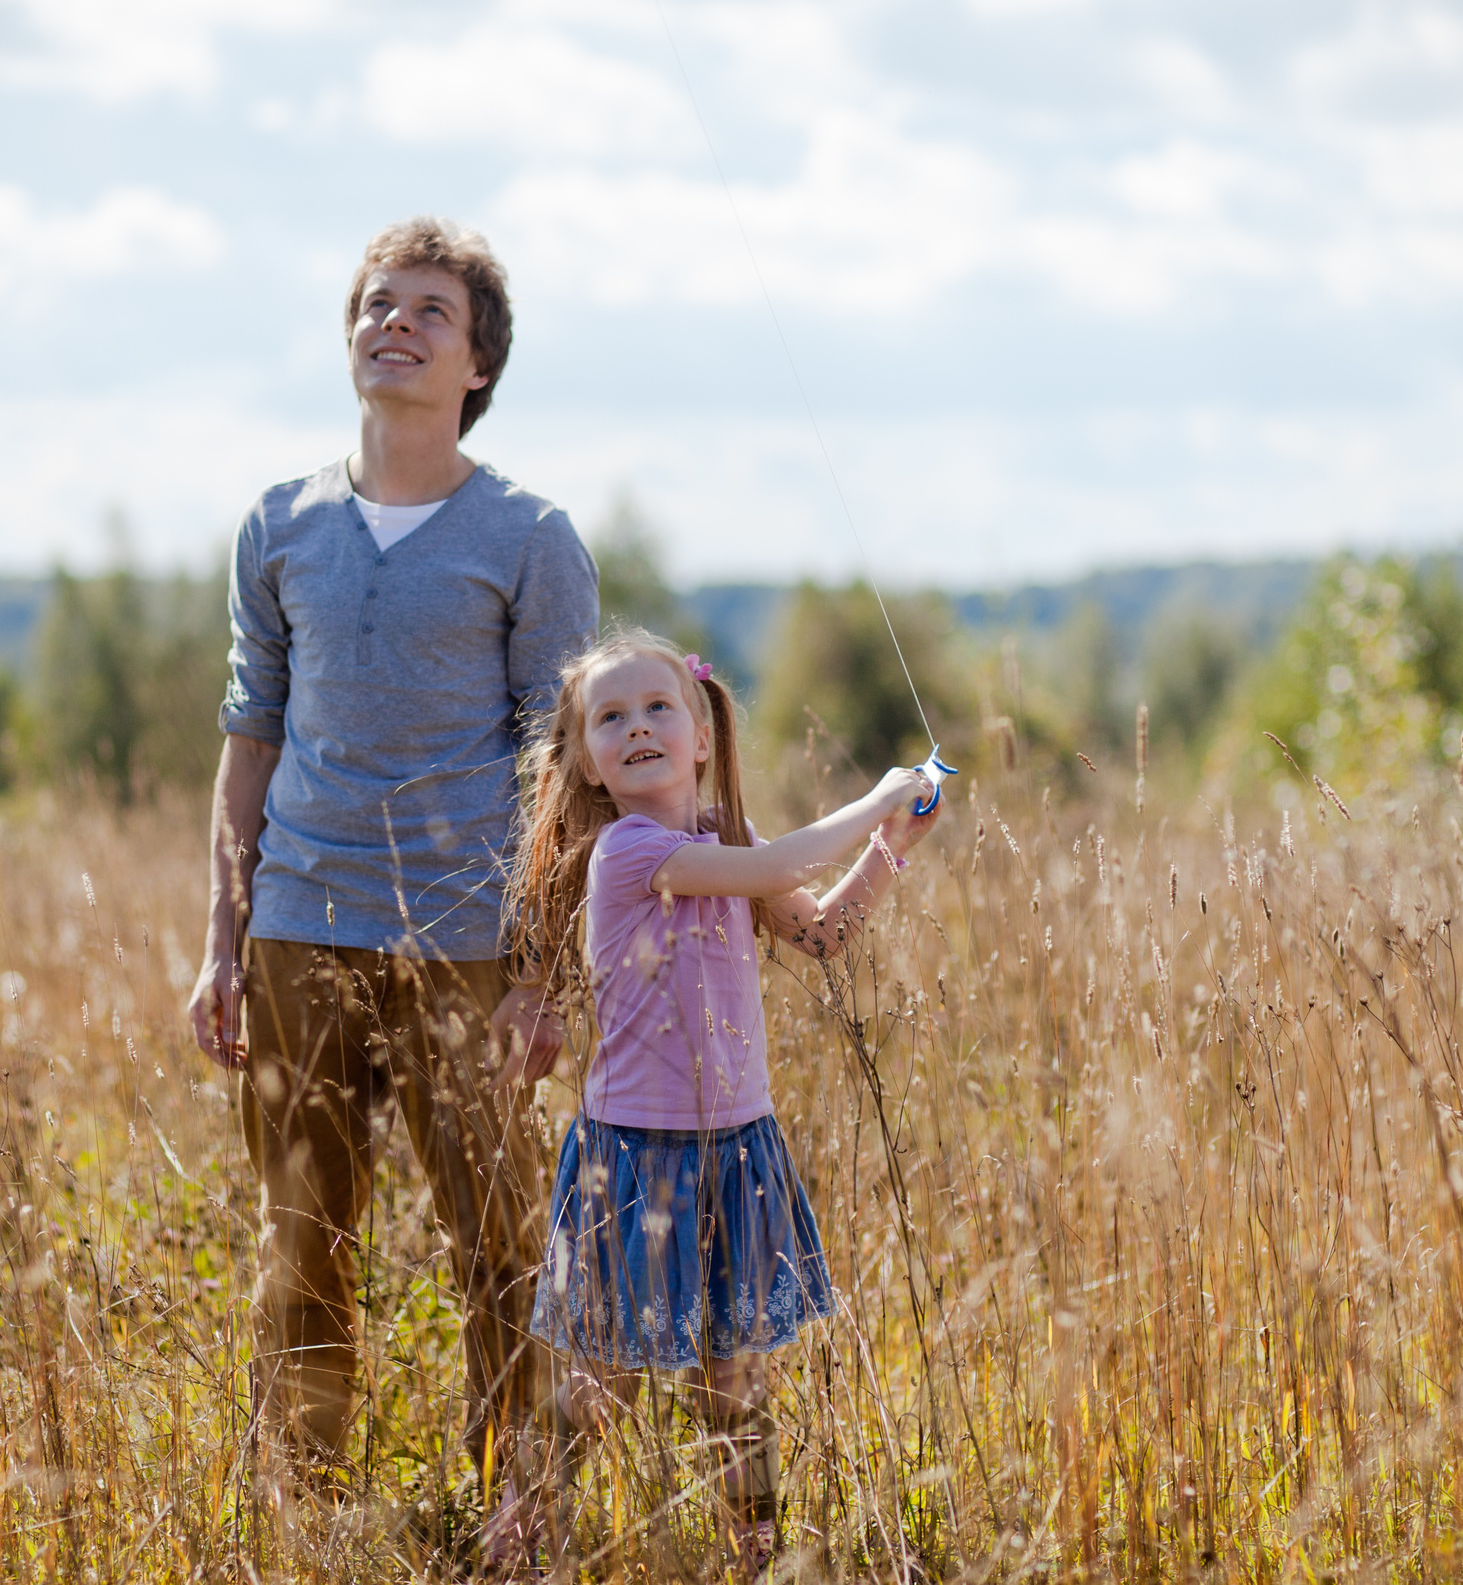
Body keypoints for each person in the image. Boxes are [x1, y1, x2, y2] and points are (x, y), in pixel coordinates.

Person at [184, 218, 598, 1513]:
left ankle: (517, 1508)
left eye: (429, 310)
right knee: (303, 1241)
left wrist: (543, 974)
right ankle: (309, 1510)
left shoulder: (530, 536)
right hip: (301, 928)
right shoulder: (279, 521)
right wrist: (220, 940)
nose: (394, 323)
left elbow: (563, 773)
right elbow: (249, 734)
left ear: (478, 362)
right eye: (375, 303)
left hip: (467, 939)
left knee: (498, 1244)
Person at [497, 626, 943, 1574]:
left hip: (738, 1146)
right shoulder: (626, 850)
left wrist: (890, 848)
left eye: (659, 706)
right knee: (599, 1380)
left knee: (736, 1376)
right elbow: (782, 867)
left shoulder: (721, 842)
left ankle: (756, 1552)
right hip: (635, 1156)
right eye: (610, 717)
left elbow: (819, 932)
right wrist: (874, 797)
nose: (638, 726)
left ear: (702, 734)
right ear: (585, 760)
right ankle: (519, 1532)